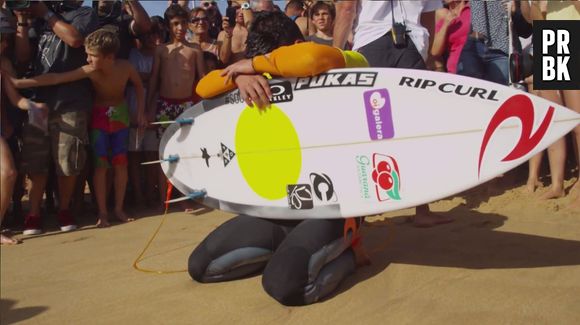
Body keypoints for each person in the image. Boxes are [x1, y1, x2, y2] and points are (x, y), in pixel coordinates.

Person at [191, 10, 370, 306]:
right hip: (283, 206)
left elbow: (310, 59)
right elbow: (203, 87)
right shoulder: (268, 70)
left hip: (336, 206)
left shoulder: (341, 59)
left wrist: (256, 64)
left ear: (297, 43)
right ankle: (290, 248)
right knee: (202, 267)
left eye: (271, 61)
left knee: (285, 286)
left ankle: (351, 254)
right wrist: (240, 76)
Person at [333, 0, 453, 228]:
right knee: (415, 132)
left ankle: (361, 213)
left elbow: (346, 8)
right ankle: (422, 209)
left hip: (371, 44)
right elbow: (428, 16)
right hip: (412, 44)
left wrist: (335, 53)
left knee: (370, 131)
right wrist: (422, 51)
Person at [13, 29, 147, 228]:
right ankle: (102, 212)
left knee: (121, 164)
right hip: (99, 117)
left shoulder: (126, 67)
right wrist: (19, 82)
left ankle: (118, 208)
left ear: (109, 57)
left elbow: (138, 85)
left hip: (120, 116)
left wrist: (141, 113)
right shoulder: (89, 70)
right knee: (101, 166)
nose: (87, 58)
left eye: (92, 55)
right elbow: (56, 78)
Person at [12, 0, 98, 235]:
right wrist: (22, 20)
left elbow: (75, 39)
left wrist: (46, 13)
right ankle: (34, 213)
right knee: (35, 160)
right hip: (38, 102)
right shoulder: (38, 16)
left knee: (68, 160)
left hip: (72, 101)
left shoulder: (84, 13)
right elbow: (22, 57)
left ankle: (64, 209)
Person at [147, 4, 206, 207]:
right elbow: (154, 80)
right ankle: (165, 198)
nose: (180, 28)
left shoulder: (195, 49)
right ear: (168, 26)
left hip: (187, 106)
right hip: (164, 106)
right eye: (175, 24)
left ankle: (185, 198)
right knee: (164, 153)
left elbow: (203, 79)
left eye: (183, 23)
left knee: (187, 153)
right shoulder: (161, 50)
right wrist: (148, 109)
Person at [1, 11, 48, 244]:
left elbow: (14, 99)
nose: (4, 43)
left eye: (4, 39)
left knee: (9, 172)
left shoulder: (4, 63)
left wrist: (34, 106)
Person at [126, 16, 166, 209]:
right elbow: (133, 78)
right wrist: (150, 78)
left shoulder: (162, 53)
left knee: (152, 155)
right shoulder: (132, 53)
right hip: (133, 107)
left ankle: (151, 195)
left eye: (156, 33)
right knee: (133, 156)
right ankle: (139, 196)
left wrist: (145, 79)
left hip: (155, 108)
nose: (153, 38)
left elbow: (154, 80)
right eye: (149, 34)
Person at [455, 0, 510, 85]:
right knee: (467, 88)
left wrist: (515, 10)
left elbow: (525, 29)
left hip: (500, 47)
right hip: (473, 45)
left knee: (500, 93)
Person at [431, 0, 470, 74]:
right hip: (455, 70)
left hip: (478, 65)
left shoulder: (473, 10)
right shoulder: (443, 19)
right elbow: (435, 52)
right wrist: (445, 25)